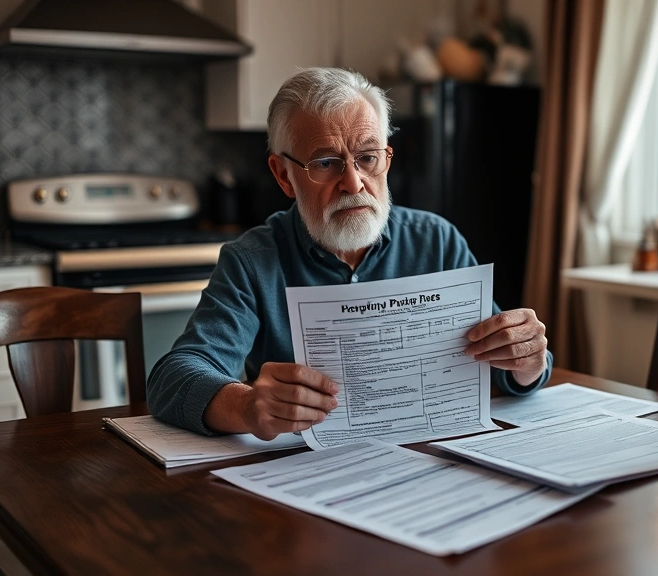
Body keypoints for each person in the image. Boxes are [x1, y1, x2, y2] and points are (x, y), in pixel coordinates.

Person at [147, 68, 552, 439]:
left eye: (368, 158)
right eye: (326, 162)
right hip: (303, 475)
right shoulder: (253, 260)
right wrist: (247, 406)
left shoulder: (436, 241)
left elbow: (506, 367)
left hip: (426, 457)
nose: (354, 184)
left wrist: (528, 359)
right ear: (283, 175)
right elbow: (173, 379)